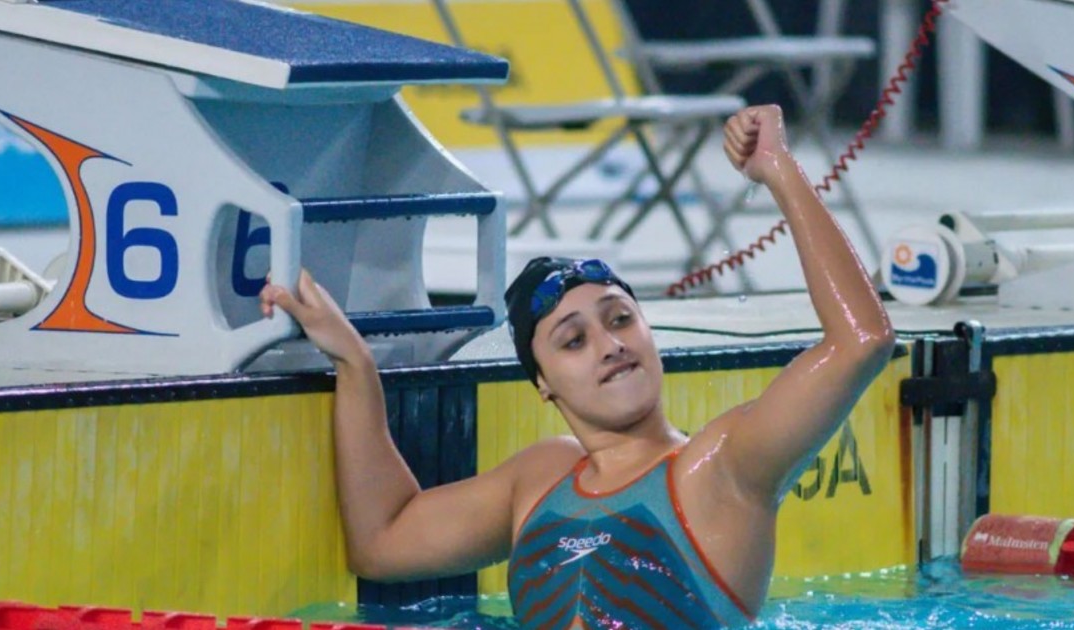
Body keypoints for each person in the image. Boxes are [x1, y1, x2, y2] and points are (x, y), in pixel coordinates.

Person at [260, 105, 895, 629]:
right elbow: (381, 542)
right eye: (573, 341)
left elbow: (862, 341)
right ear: (542, 383)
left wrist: (778, 169)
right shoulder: (538, 481)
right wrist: (354, 361)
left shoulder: (720, 469)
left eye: (620, 319)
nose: (610, 345)